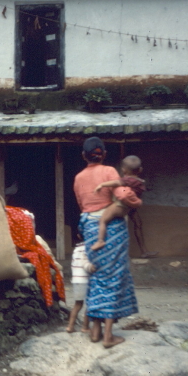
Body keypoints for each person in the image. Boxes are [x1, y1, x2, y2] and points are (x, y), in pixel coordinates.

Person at [73, 137, 140, 348]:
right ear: (103, 154)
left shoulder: (78, 177)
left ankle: (95, 331)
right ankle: (109, 336)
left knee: (97, 275)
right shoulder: (110, 171)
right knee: (114, 276)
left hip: (90, 229)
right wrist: (135, 199)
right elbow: (122, 193)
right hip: (113, 229)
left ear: (84, 156)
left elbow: (81, 204)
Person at [91, 155, 146, 252]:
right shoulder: (139, 182)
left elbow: (116, 183)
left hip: (120, 205)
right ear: (140, 170)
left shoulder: (128, 180)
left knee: (103, 220)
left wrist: (102, 184)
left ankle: (100, 240)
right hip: (129, 207)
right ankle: (144, 251)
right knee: (137, 223)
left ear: (123, 171)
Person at [65, 235, 96, 334]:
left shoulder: (76, 249)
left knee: (77, 304)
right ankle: (85, 327)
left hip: (76, 279)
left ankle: (70, 326)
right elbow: (87, 265)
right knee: (89, 304)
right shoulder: (89, 248)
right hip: (85, 279)